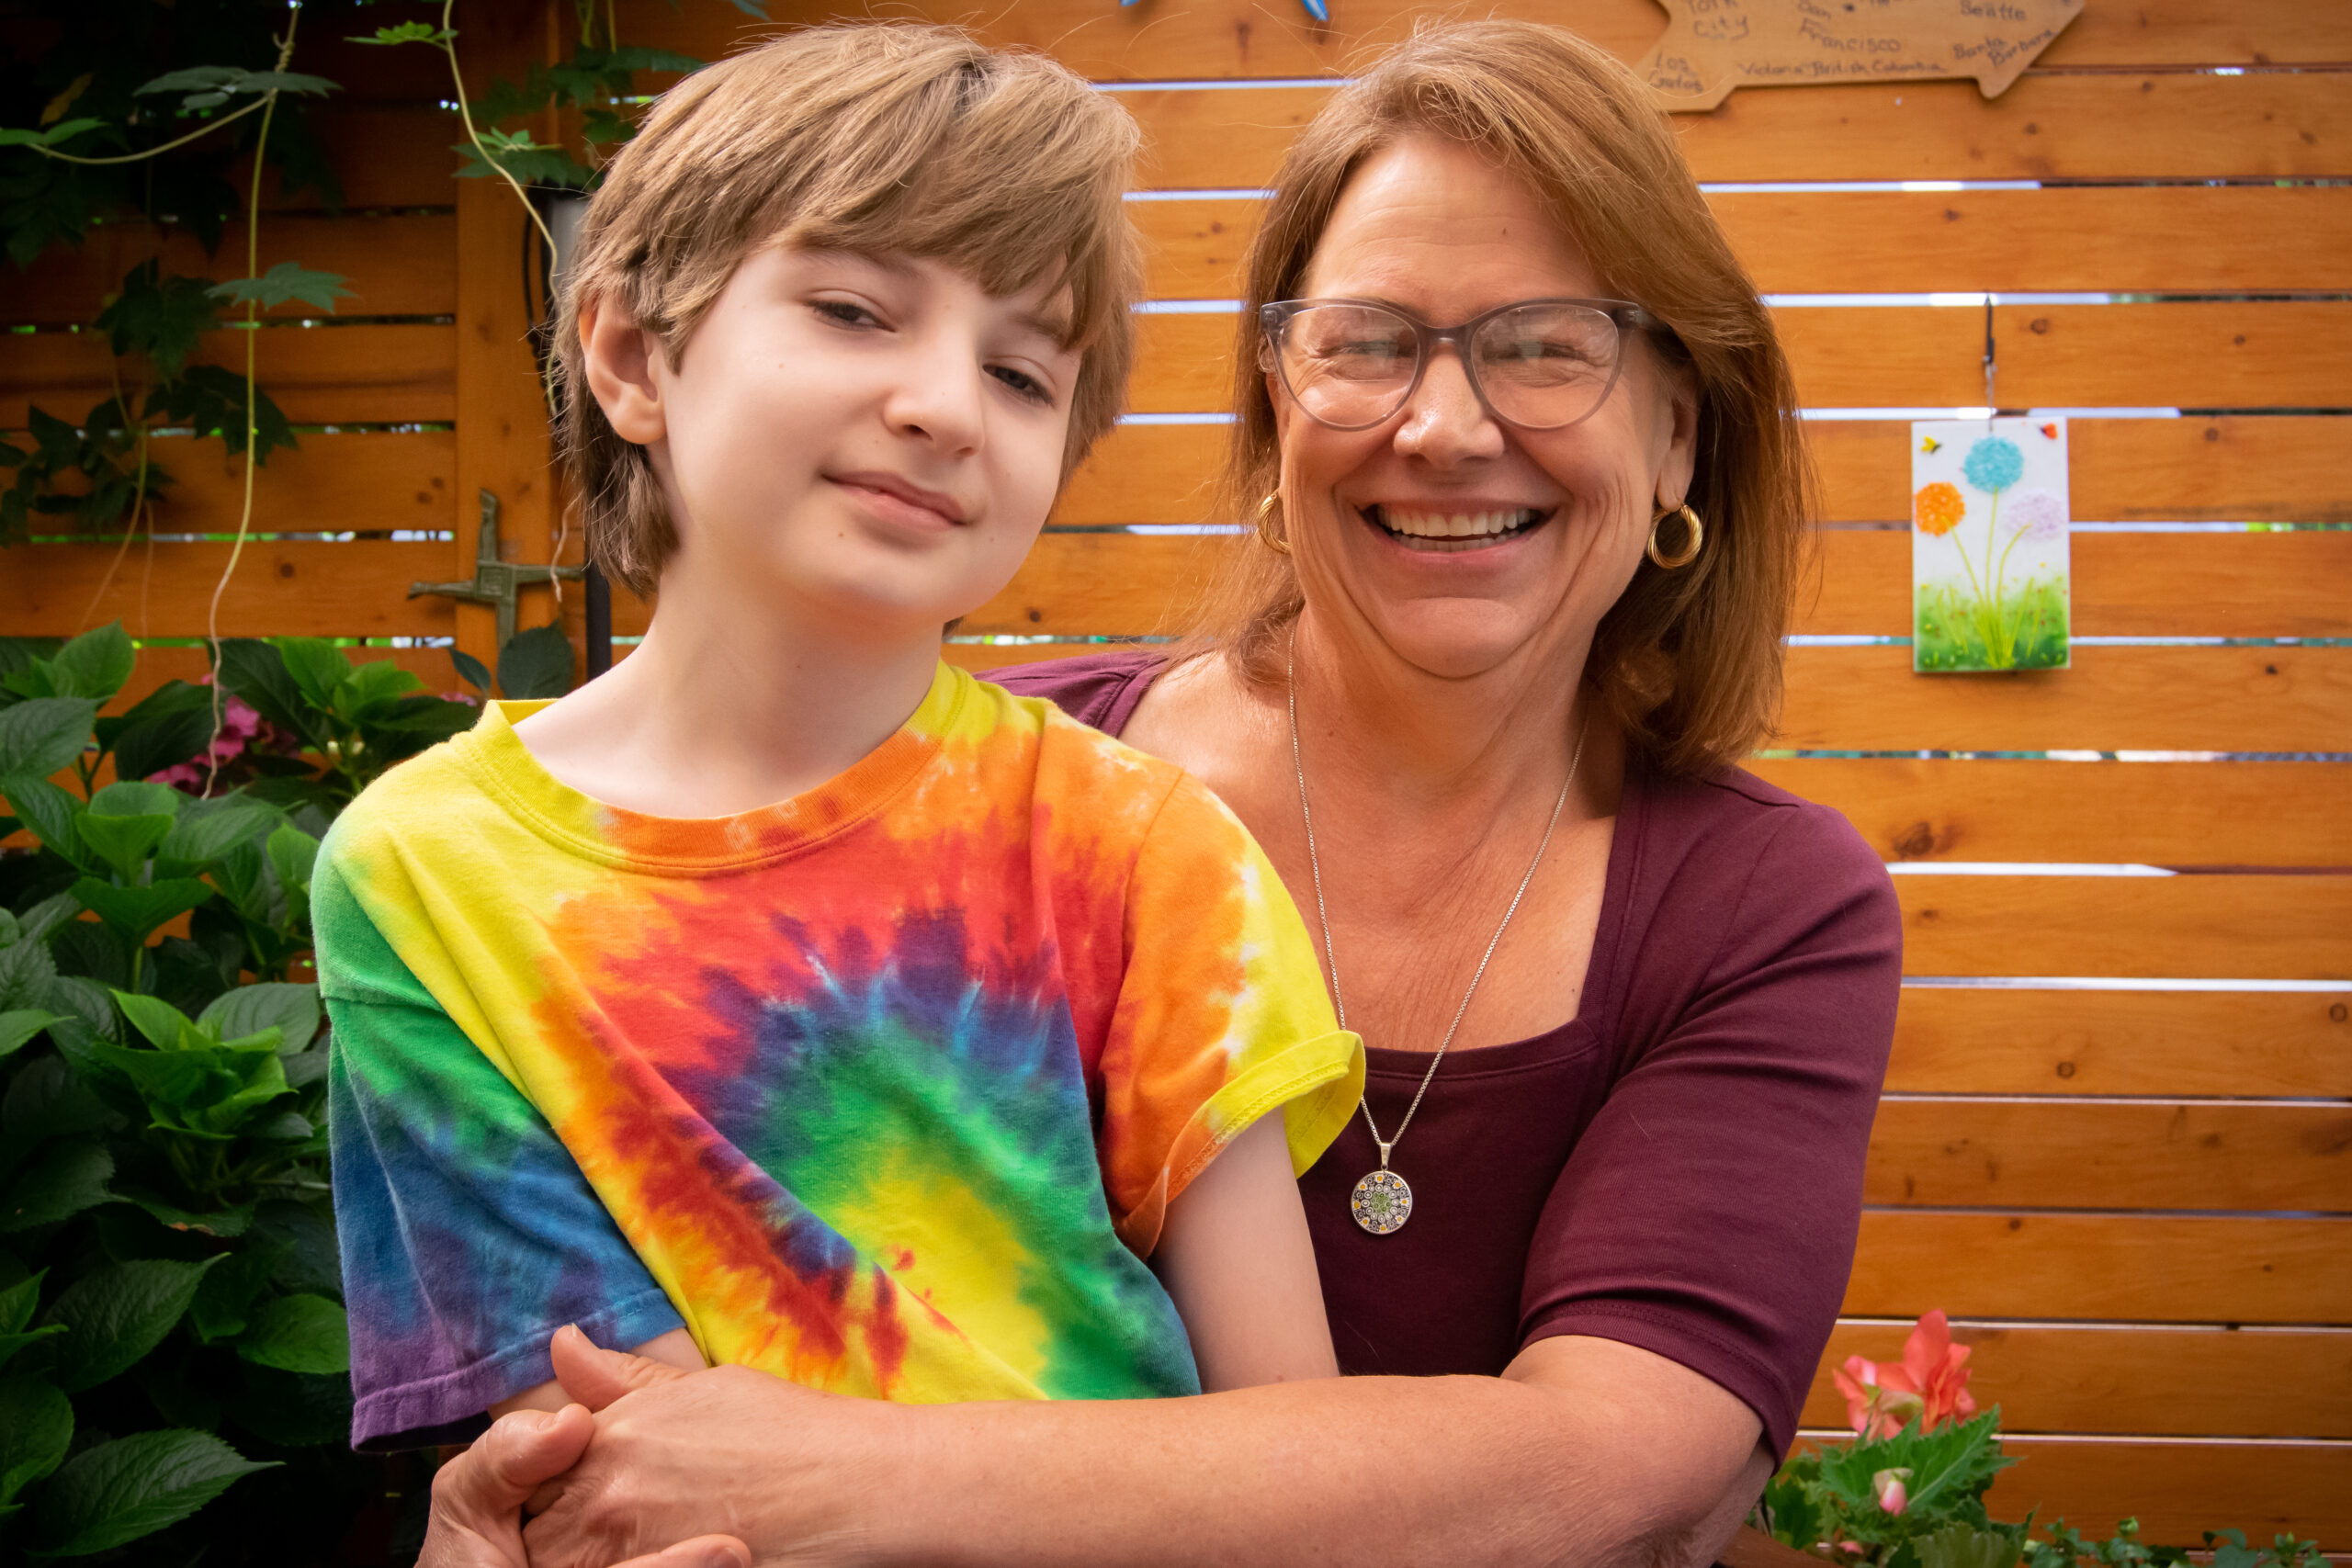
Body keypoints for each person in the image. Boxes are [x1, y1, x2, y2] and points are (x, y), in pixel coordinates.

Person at [427, 19, 1902, 1568]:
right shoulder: (963, 792)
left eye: (1548, 345)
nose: (1449, 427)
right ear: (1275, 408)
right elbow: (657, 1393)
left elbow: (1619, 1478)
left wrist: (849, 1482)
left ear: (1678, 436)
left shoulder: (1764, 905)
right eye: (1369, 341)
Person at [315, 19, 1365, 1473]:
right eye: (857, 312)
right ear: (629, 356)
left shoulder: (1144, 851)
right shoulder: (421, 875)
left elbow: (1285, 1456)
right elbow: (612, 1449)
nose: (941, 407)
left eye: (1021, 375)